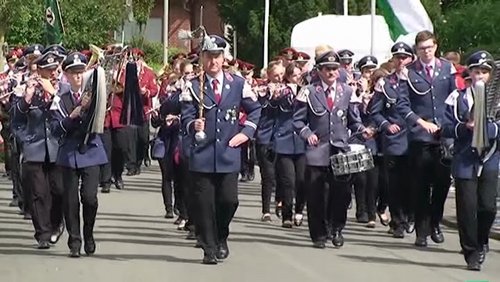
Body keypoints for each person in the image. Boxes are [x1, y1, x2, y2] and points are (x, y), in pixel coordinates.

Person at [180, 34, 261, 264]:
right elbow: (185, 115)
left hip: (228, 152)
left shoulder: (238, 83)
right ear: (202, 58)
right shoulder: (193, 85)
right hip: (203, 154)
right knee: (204, 205)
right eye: (208, 56)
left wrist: (245, 134)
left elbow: (255, 110)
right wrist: (192, 124)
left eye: (217, 56)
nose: (213, 61)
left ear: (223, 57)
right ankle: (209, 248)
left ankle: (221, 235)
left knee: (229, 201)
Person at [293, 50, 366, 249]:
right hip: (317, 151)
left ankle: (337, 229)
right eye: (327, 69)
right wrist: (308, 134)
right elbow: (298, 121)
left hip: (340, 150)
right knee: (316, 194)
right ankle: (318, 233)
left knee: (341, 194)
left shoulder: (347, 92)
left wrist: (363, 130)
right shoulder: (308, 91)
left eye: (335, 68)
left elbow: (354, 120)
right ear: (319, 70)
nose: (332, 72)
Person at [397, 30, 456, 247]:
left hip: (443, 136)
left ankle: (435, 222)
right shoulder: (408, 73)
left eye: (430, 47)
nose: (427, 51)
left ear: (436, 47)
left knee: (442, 183)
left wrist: (449, 124)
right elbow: (402, 104)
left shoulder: (446, 68)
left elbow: (454, 98)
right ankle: (421, 231)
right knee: (420, 185)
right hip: (420, 136)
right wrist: (421, 122)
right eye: (422, 48)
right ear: (417, 50)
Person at [441, 50, 498, 271]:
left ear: (490, 76)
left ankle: (482, 240)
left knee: (488, 207)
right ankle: (471, 251)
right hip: (465, 158)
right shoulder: (457, 97)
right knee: (467, 208)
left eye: (485, 71)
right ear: (470, 73)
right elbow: (445, 128)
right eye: (477, 71)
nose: (480, 75)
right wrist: (465, 127)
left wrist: (487, 128)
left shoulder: (497, 99)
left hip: (490, 157)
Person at [50, 52, 108, 257]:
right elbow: (56, 129)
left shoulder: (93, 94)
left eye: (80, 72)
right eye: (73, 73)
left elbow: (101, 119)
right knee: (70, 199)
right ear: (65, 75)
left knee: (89, 197)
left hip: (91, 150)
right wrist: (73, 115)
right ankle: (74, 241)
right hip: (68, 153)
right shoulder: (60, 99)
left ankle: (89, 234)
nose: (77, 77)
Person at [13, 50, 66, 249]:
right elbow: (16, 120)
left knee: (59, 191)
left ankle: (55, 224)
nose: (53, 73)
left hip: (57, 148)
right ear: (39, 71)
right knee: (38, 193)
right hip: (35, 148)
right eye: (48, 70)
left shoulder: (63, 89)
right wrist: (26, 97)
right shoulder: (26, 90)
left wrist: (53, 93)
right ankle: (42, 233)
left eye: (55, 69)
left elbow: (68, 112)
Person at [369, 43, 415, 237]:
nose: (401, 61)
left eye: (404, 57)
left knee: (413, 182)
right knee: (394, 183)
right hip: (395, 139)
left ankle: (411, 217)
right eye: (397, 57)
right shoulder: (385, 83)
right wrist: (386, 125)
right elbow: (375, 111)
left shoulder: (419, 81)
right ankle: (397, 221)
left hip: (415, 136)